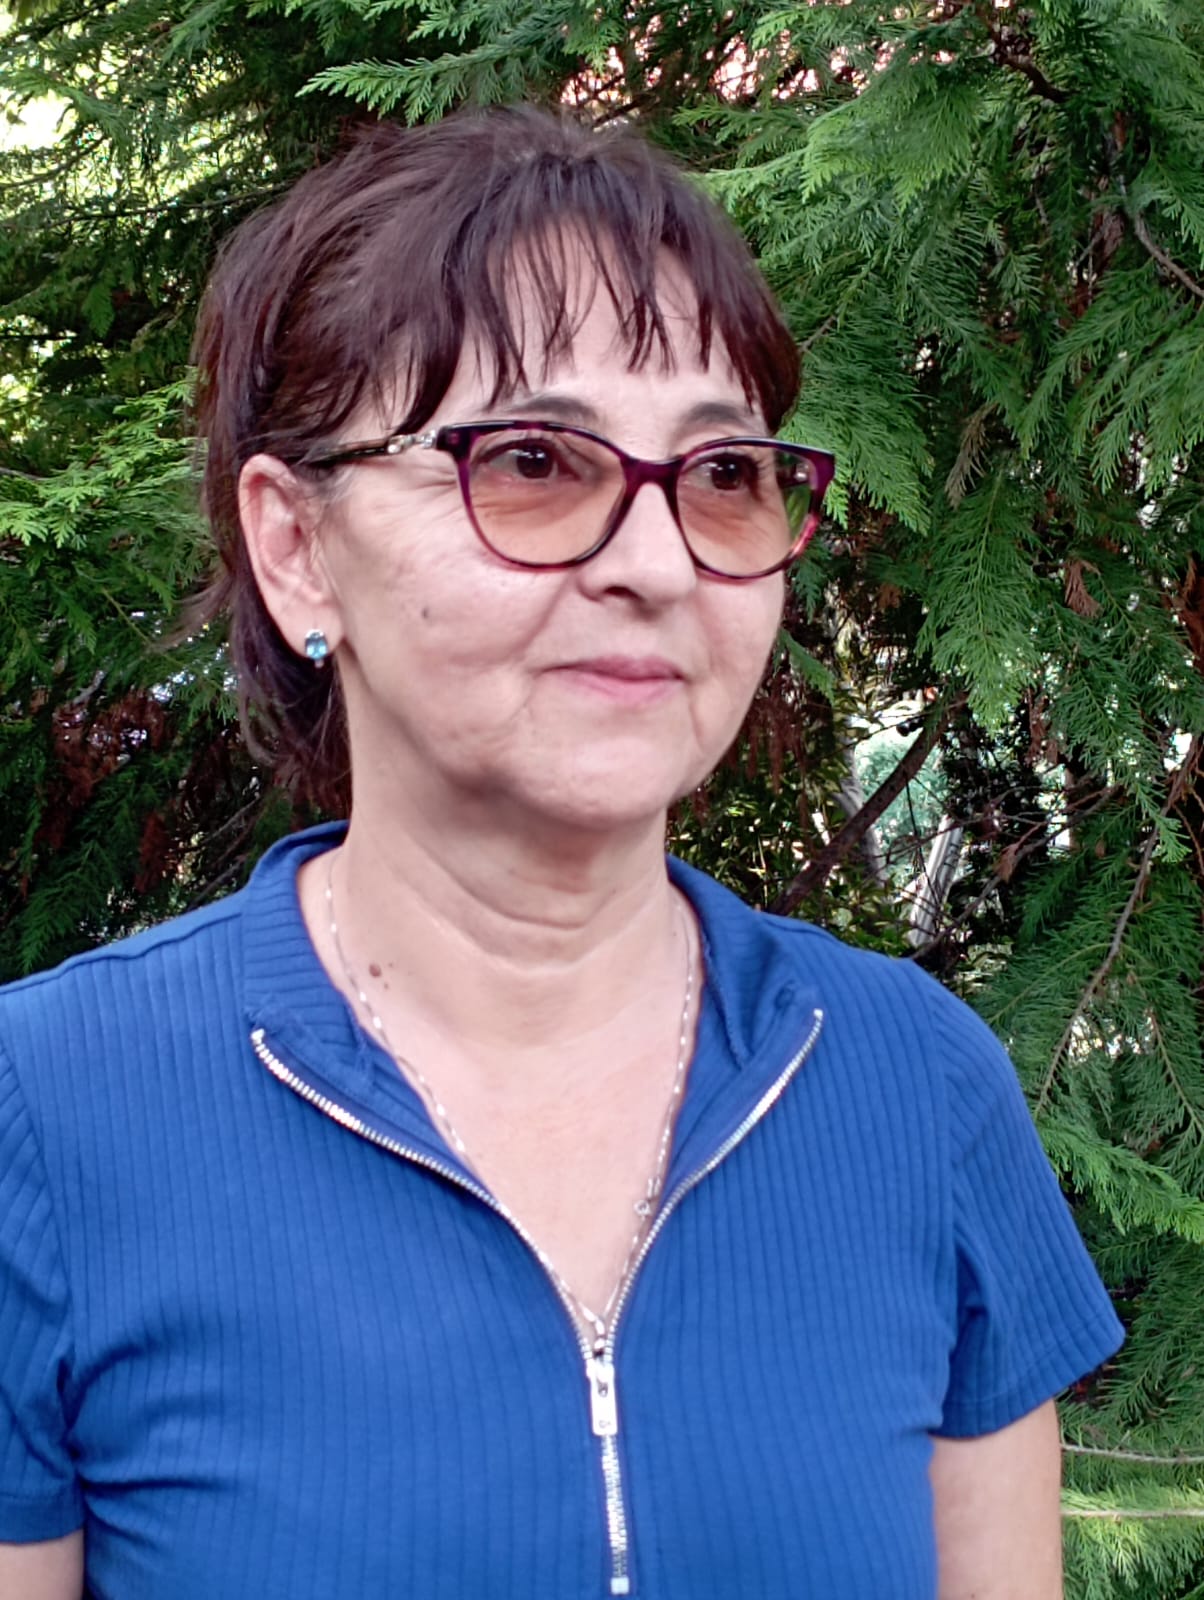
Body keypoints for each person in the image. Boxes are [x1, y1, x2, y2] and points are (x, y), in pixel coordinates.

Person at [0, 107, 1122, 1600]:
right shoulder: (47, 1116)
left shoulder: (916, 1088)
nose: (656, 562)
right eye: (533, 459)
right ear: (296, 547)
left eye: (724, 475)